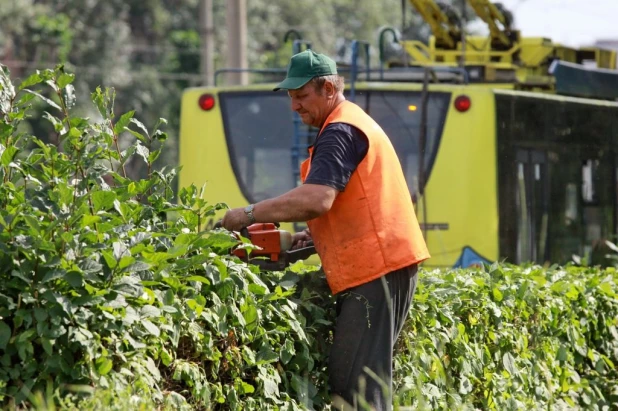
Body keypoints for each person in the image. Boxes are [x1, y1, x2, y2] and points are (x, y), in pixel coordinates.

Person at [221, 49, 430, 410]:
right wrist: (316, 238)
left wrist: (249, 213)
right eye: (291, 98)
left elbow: (317, 199)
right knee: (360, 381)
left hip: (377, 269)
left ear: (329, 88)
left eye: (302, 96)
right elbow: (356, 205)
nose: (295, 107)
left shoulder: (340, 130)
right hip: (382, 264)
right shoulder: (350, 123)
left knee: (355, 384)